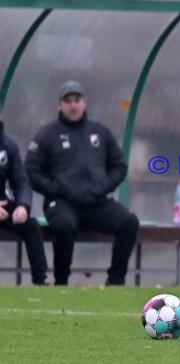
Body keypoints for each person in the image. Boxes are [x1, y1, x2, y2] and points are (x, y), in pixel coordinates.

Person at [25, 80, 139, 286]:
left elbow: (119, 166)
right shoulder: (47, 134)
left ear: (85, 102)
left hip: (96, 201)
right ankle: (61, 282)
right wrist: (57, 189)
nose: (73, 105)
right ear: (60, 105)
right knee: (64, 226)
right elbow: (32, 171)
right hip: (62, 203)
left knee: (129, 222)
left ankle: (116, 281)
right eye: (67, 101)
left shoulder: (100, 132)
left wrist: (102, 186)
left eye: (77, 100)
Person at [0, 121, 48, 285]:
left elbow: (21, 181)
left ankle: (41, 282)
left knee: (31, 226)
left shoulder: (8, 145)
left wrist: (22, 205)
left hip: (2, 205)